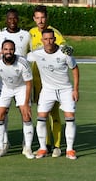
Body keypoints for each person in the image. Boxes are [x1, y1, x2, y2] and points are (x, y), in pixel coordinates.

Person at [27, 29, 79, 160]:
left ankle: (70, 149)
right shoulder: (36, 53)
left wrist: (75, 89)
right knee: (41, 116)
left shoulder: (64, 52)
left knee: (69, 116)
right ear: (42, 40)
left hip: (65, 89)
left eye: (51, 39)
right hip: (48, 90)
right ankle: (43, 148)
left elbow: (75, 69)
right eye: (46, 39)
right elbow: (22, 57)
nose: (48, 41)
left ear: (54, 39)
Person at [0, 8, 31, 152]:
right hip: (5, 82)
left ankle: (26, 146)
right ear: (6, 20)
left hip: (22, 81)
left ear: (18, 19)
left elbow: (31, 54)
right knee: (2, 112)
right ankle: (4, 144)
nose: (12, 21)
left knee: (25, 112)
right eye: (9, 18)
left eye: (15, 18)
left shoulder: (26, 35)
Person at [0, 39, 34, 159]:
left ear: (14, 50)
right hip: (5, 87)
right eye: (5, 49)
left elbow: (29, 83)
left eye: (11, 49)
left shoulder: (23, 63)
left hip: (21, 87)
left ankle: (27, 147)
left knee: (26, 114)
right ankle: (2, 146)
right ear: (2, 50)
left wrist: (26, 103)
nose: (8, 52)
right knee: (0, 114)